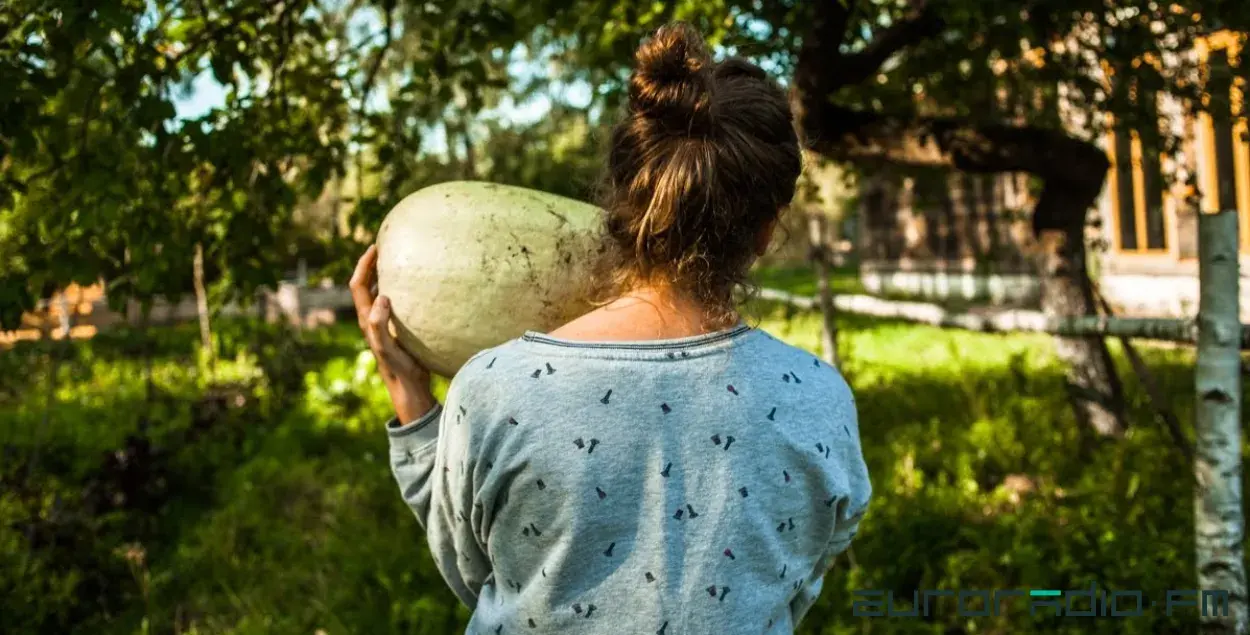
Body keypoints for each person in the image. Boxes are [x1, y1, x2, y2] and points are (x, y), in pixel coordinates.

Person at [350, 22, 871, 635]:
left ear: (626, 201)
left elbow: (474, 574)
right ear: (765, 229)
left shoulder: (497, 389)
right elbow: (793, 580)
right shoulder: (818, 399)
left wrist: (411, 401)